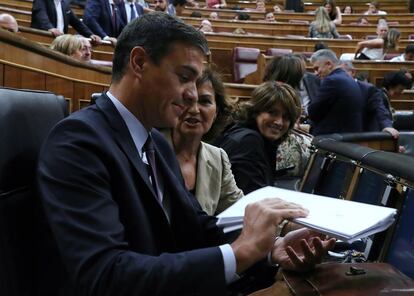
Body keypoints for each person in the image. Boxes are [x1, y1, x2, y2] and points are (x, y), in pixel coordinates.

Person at [37, 12, 334, 295]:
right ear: (139, 62)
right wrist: (239, 253)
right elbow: (106, 276)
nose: (193, 94)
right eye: (184, 77)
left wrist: (270, 248)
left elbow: (195, 228)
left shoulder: (155, 142)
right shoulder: (77, 141)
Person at [165, 69, 243, 215]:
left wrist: (285, 226)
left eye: (205, 101)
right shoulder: (148, 149)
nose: (194, 110)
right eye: (187, 100)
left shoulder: (217, 158)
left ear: (216, 113)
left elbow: (239, 211)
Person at [216, 82, 302, 193]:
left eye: (286, 117)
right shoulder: (249, 141)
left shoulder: (244, 131)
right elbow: (253, 196)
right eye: (272, 113)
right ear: (256, 111)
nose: (279, 122)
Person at [308, 49, 365, 136]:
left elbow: (313, 112)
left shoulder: (331, 80)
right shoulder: (348, 78)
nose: (315, 73)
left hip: (332, 140)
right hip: (349, 137)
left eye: (317, 68)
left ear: (329, 64)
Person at [340, 61, 399, 138]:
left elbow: (380, 109)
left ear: (353, 72)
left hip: (362, 137)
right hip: (337, 136)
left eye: (341, 73)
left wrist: (387, 126)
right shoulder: (332, 88)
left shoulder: (368, 89)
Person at [31, 0, 101, 43]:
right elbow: (41, 16)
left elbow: (77, 23)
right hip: (44, 39)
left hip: (61, 43)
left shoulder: (64, 3)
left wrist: (90, 34)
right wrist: (50, 28)